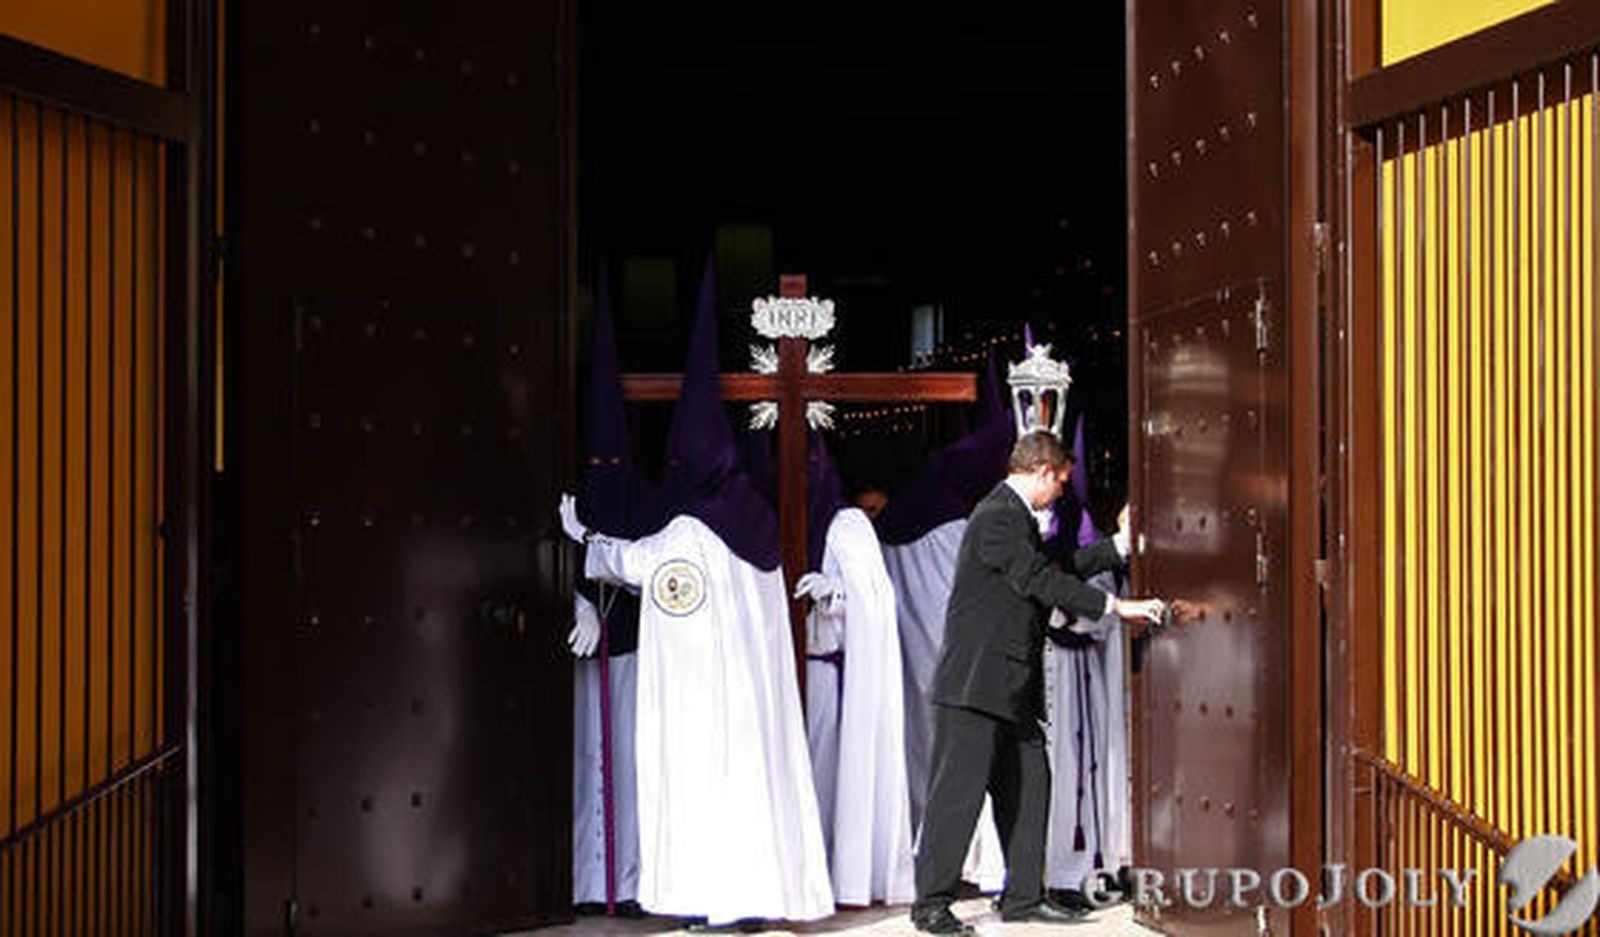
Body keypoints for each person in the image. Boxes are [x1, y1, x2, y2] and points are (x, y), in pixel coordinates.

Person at [558, 262, 833, 928]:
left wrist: (584, 535)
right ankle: (757, 899)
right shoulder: (759, 523)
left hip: (705, 701)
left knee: (706, 790)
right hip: (755, 702)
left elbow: (644, 566)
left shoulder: (688, 527)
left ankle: (714, 900)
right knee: (752, 789)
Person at [910, 430, 1166, 934]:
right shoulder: (999, 516)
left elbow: (1052, 566)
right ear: (1043, 471)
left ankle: (1024, 897)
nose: (1063, 491)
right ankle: (931, 904)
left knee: (1029, 787)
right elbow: (1040, 581)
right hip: (974, 687)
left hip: (1011, 686)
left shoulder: (1015, 517)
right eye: (1062, 481)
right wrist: (1118, 607)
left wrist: (1114, 546)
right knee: (957, 797)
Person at [793, 435, 916, 907]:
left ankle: (839, 873)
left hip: (829, 673)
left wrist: (832, 592)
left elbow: (875, 600)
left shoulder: (847, 524)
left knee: (829, 772)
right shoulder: (769, 512)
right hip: (790, 672)